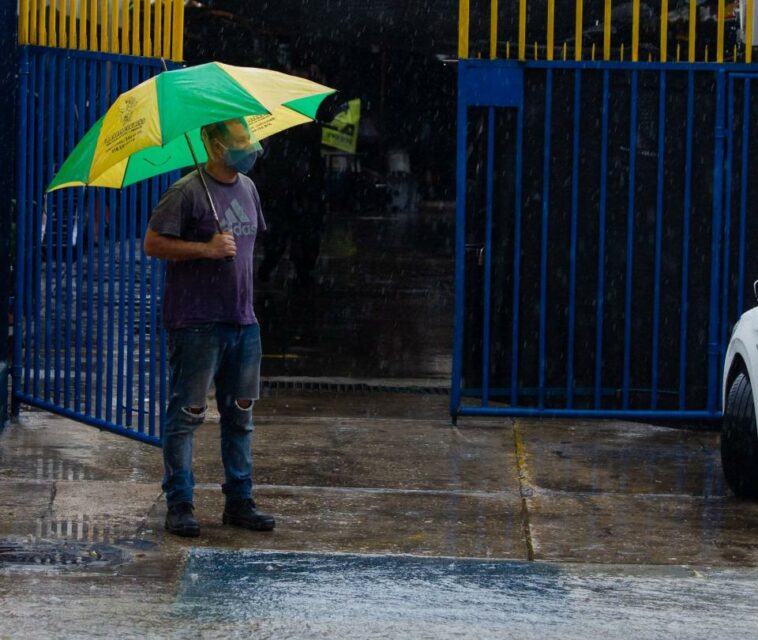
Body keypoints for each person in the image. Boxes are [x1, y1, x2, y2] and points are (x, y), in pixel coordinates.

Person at [143, 117, 275, 537]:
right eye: (240, 141)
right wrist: (205, 248)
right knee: (187, 414)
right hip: (196, 324)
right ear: (215, 147)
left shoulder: (249, 189)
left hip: (243, 321)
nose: (249, 147)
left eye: (249, 139)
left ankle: (239, 500)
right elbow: (152, 243)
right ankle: (180, 503)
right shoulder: (186, 192)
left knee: (241, 415)